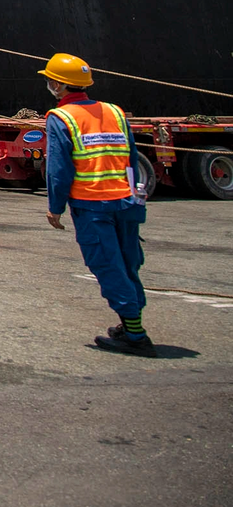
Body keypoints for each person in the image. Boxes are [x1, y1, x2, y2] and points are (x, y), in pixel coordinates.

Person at [41, 53, 156, 356]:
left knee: (108, 265)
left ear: (57, 85)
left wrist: (55, 206)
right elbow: (131, 156)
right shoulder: (114, 111)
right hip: (127, 201)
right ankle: (130, 322)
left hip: (93, 205)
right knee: (129, 263)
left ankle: (135, 335)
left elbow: (58, 168)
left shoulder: (61, 117)